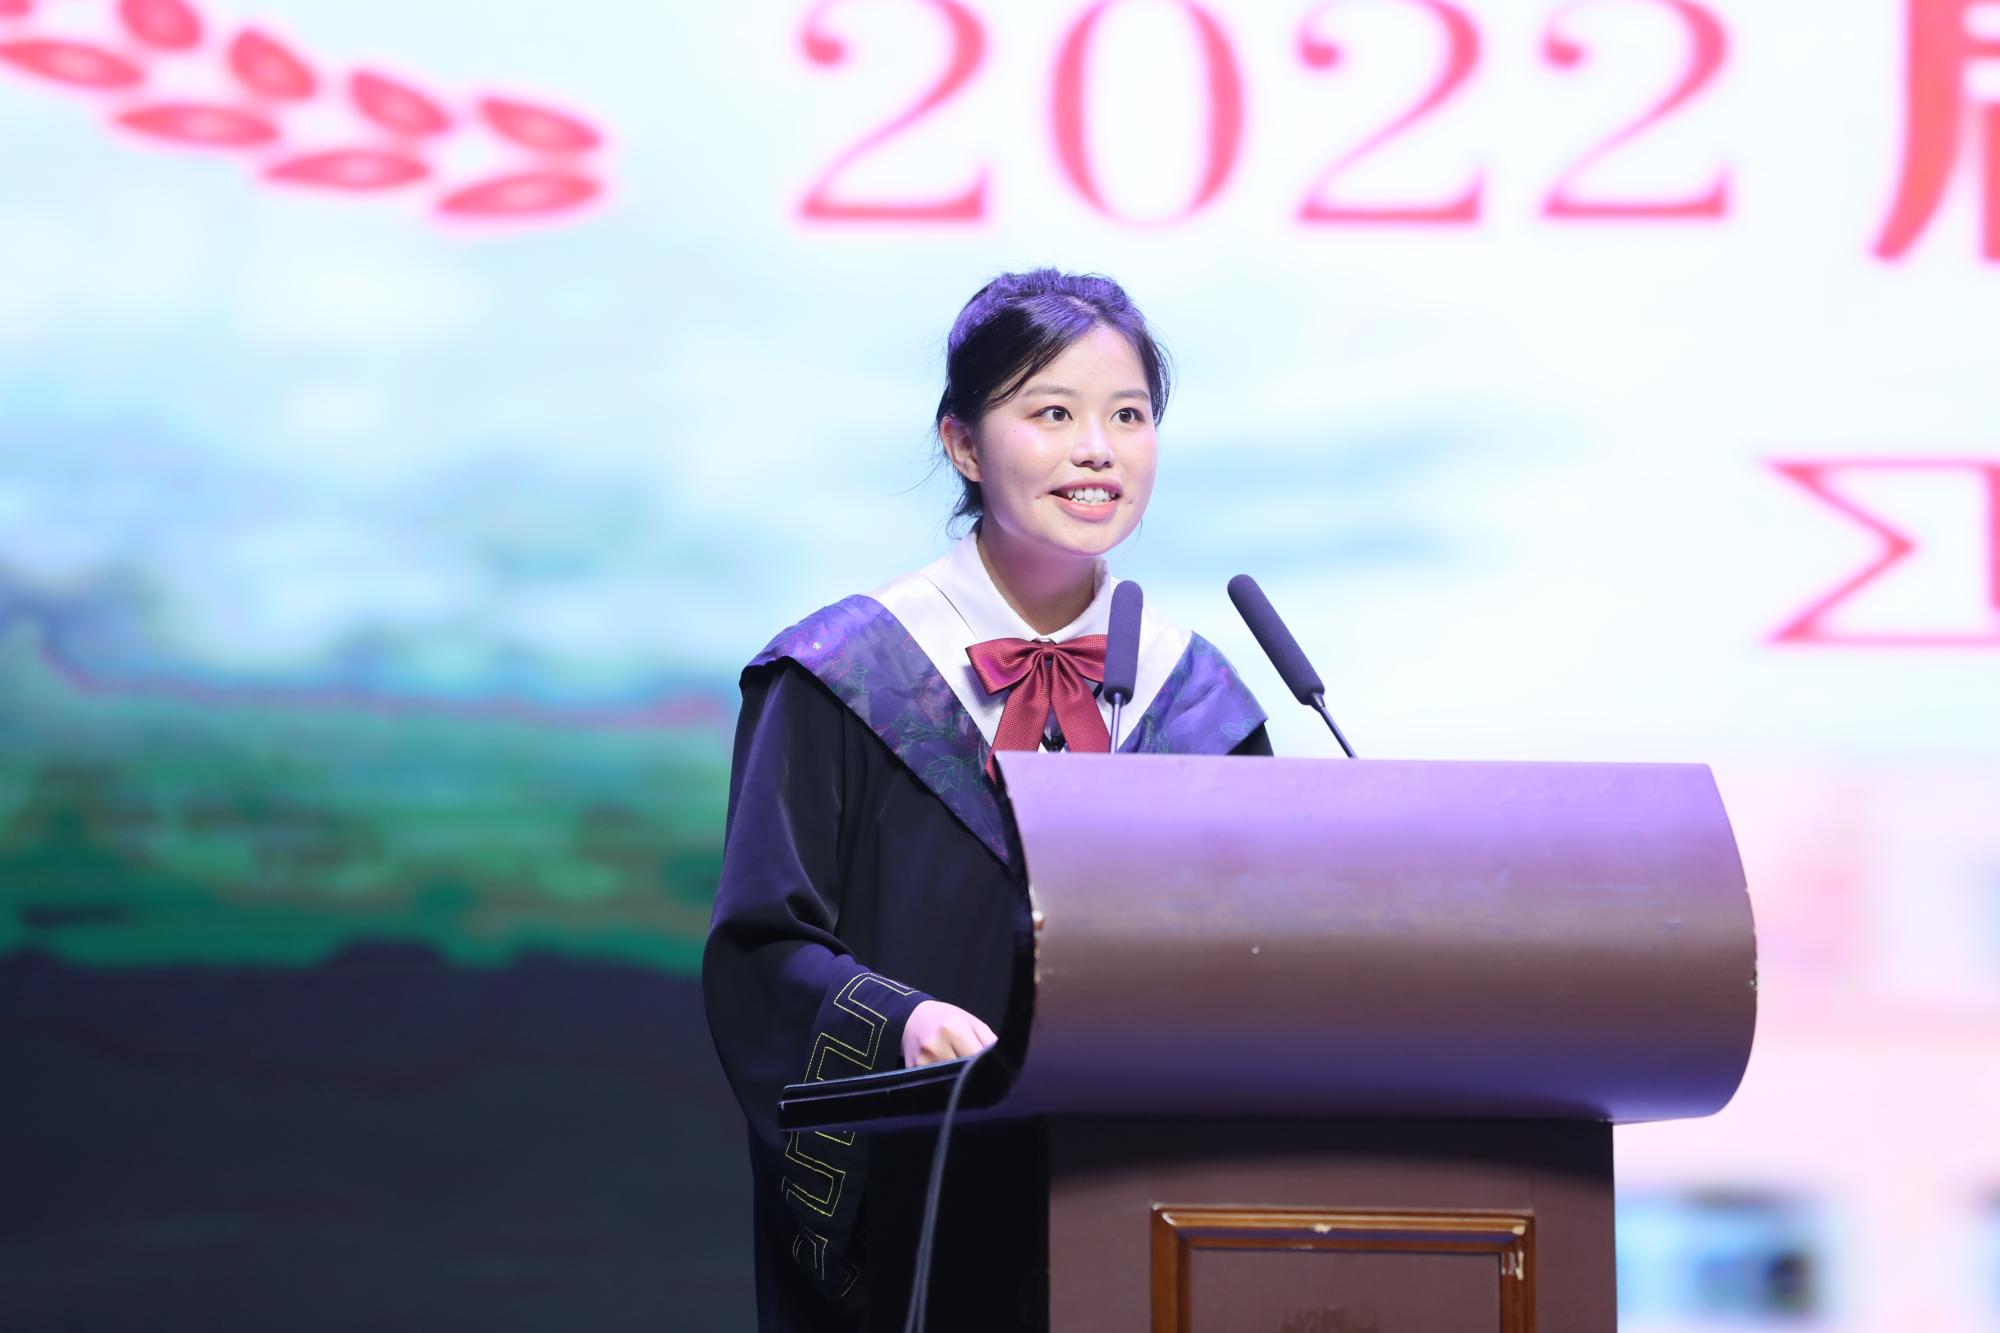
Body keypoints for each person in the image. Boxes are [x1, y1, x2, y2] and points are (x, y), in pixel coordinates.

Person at [702, 268, 1271, 1332]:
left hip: (1140, 1213)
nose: (1097, 449)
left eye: (1128, 415)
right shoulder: (839, 677)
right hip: (918, 1214)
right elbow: (761, 950)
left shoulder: (1200, 706)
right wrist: (898, 1021)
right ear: (962, 443)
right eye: (1051, 413)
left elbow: (1259, 967)